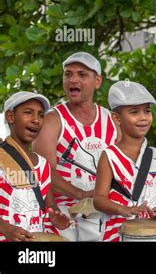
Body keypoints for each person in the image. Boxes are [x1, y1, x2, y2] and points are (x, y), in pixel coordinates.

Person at [33, 52, 118, 241]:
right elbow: (43, 171)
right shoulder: (52, 119)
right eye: (68, 74)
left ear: (97, 81)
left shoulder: (112, 120)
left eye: (82, 74)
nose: (73, 80)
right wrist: (80, 194)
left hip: (103, 213)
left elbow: (125, 168)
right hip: (63, 214)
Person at [93, 81, 156, 242]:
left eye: (147, 111)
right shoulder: (110, 156)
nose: (143, 117)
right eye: (134, 112)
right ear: (116, 118)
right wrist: (123, 209)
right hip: (118, 235)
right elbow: (98, 199)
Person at [0, 92, 70, 241]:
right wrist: (5, 227)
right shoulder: (1, 157)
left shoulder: (43, 164)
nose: (36, 120)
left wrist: (55, 217)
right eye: (28, 113)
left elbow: (49, 205)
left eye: (40, 115)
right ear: (10, 117)